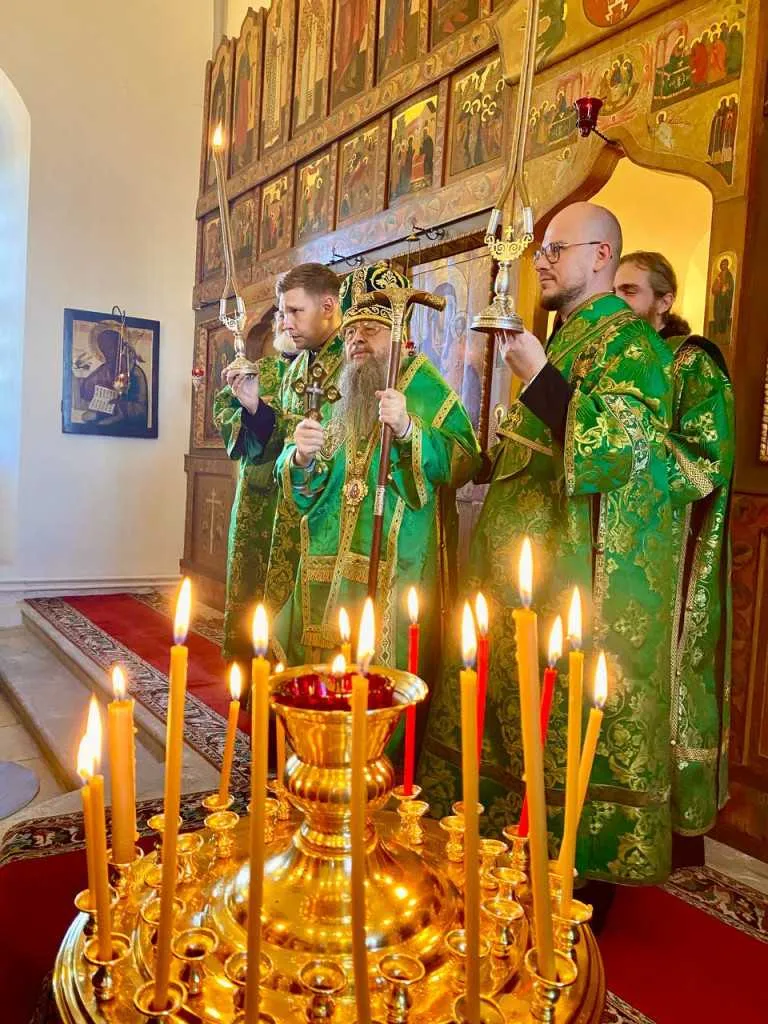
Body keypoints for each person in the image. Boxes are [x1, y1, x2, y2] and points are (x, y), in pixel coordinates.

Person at [420, 203, 677, 910]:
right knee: (507, 712)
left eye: (555, 249)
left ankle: (569, 878)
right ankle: (503, 850)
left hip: (570, 578)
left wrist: (539, 378)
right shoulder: (568, 336)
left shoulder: (631, 346)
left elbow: (618, 454)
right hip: (515, 572)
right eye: (540, 249)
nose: (539, 261)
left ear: (601, 255)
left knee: (555, 715)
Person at [272, 261, 481, 673]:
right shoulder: (340, 389)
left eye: (370, 329)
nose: (357, 339)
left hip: (397, 563)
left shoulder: (427, 388)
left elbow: (465, 461)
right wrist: (299, 458)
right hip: (328, 558)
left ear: (399, 334)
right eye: (350, 331)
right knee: (322, 676)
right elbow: (306, 482)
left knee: (385, 677)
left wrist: (409, 429)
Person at [614, 251, 734, 860]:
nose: (619, 303)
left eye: (630, 292)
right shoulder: (615, 359)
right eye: (614, 291)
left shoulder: (692, 362)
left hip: (670, 544)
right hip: (618, 544)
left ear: (664, 302)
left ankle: (669, 823)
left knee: (666, 673)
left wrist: (631, 444)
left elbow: (707, 460)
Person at [220, 263, 344, 659]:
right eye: (282, 312)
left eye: (294, 311)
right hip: (285, 507)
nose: (285, 323)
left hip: (327, 515)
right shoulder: (297, 370)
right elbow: (281, 437)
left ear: (328, 306)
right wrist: (254, 408)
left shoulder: (354, 362)